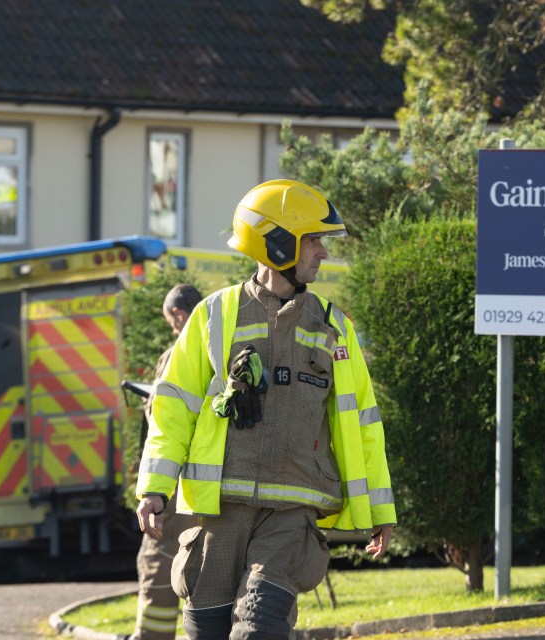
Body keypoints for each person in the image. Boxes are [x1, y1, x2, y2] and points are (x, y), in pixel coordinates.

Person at [134, 179, 396, 640]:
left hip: (292, 514)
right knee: (207, 632)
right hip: (220, 514)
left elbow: (362, 424)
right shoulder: (214, 316)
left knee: (258, 629)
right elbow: (173, 408)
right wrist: (154, 488)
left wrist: (380, 508)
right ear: (278, 242)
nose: (323, 252)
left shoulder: (335, 329)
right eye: (314, 239)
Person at [132, 284, 203, 640]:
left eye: (171, 321)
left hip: (175, 489)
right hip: (213, 491)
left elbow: (163, 417)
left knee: (158, 567)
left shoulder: (177, 354)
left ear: (177, 314)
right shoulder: (224, 347)